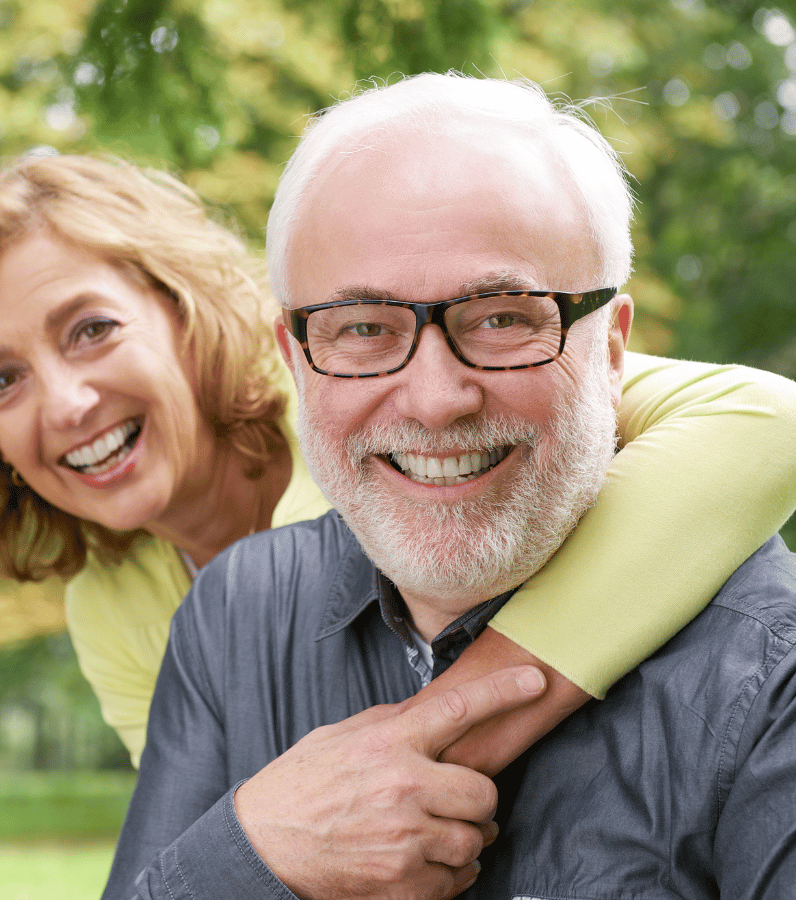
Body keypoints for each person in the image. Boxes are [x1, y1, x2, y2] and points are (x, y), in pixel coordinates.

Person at [0, 152, 796, 773]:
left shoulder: (374, 392)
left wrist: (457, 720)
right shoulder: (111, 607)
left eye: (93, 329)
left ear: (186, 313)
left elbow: (765, 419)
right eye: (0, 382)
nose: (64, 404)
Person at [101, 73, 796, 900]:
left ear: (611, 351)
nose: (435, 402)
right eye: (362, 328)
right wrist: (251, 849)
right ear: (294, 364)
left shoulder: (768, 682)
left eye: (503, 317)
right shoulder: (236, 612)